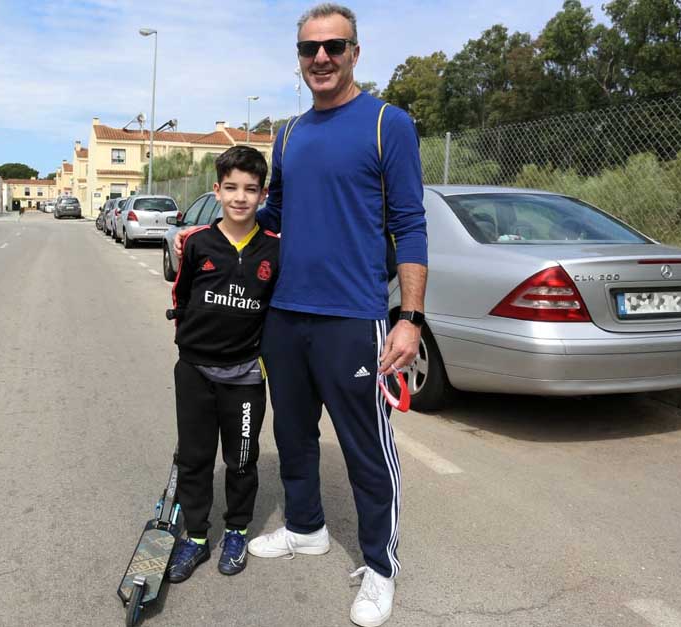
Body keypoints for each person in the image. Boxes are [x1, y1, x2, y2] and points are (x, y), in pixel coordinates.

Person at [174, 4, 427, 626]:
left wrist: (409, 317)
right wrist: (209, 239)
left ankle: (380, 568)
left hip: (353, 317)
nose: (321, 58)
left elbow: (410, 224)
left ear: (355, 53)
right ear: (299, 56)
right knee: (291, 437)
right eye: (310, 48)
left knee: (367, 449)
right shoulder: (287, 133)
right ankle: (307, 528)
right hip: (284, 316)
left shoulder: (386, 125)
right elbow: (271, 216)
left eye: (334, 47)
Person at [164, 146, 279, 583]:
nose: (240, 197)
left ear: (262, 195)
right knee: (194, 458)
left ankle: (236, 530)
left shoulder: (273, 251)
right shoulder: (196, 243)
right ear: (217, 190)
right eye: (231, 187)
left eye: (250, 189)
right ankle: (195, 537)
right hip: (195, 372)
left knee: (242, 460)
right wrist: (188, 345)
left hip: (246, 376)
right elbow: (182, 295)